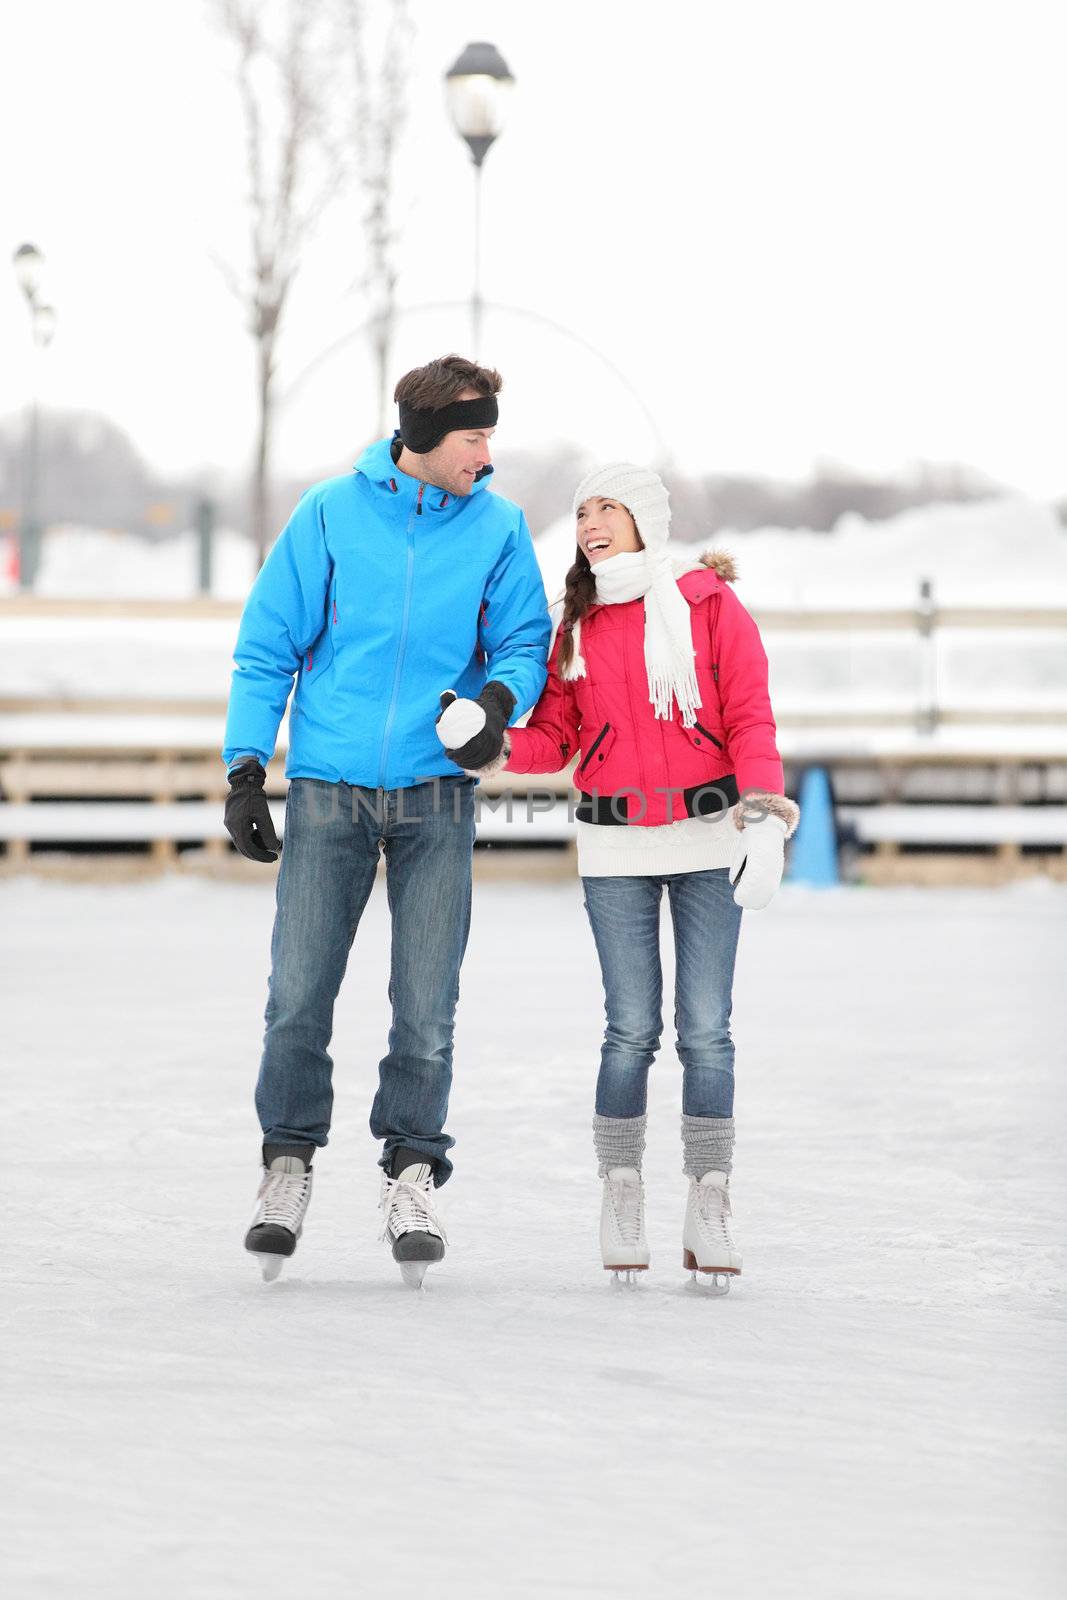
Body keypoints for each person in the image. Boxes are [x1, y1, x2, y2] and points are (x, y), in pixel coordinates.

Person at [222, 354, 550, 1287]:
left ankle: (412, 1169)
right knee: (298, 997)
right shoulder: (329, 512)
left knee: (427, 1003)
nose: (486, 452)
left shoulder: (498, 526)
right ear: (420, 435)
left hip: (434, 791)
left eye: (490, 433)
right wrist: (246, 767)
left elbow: (523, 639)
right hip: (328, 784)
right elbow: (266, 646)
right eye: (474, 435)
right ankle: (287, 1165)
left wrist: (493, 699)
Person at [467, 462, 798, 1292]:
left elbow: (749, 714)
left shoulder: (705, 603)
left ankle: (708, 1197)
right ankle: (620, 1192)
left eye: (606, 508)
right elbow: (556, 736)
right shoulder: (572, 621)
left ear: (645, 516)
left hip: (704, 834)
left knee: (706, 1028)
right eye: (581, 512)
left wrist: (763, 812)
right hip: (614, 846)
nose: (590, 524)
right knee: (629, 1028)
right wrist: (496, 746)